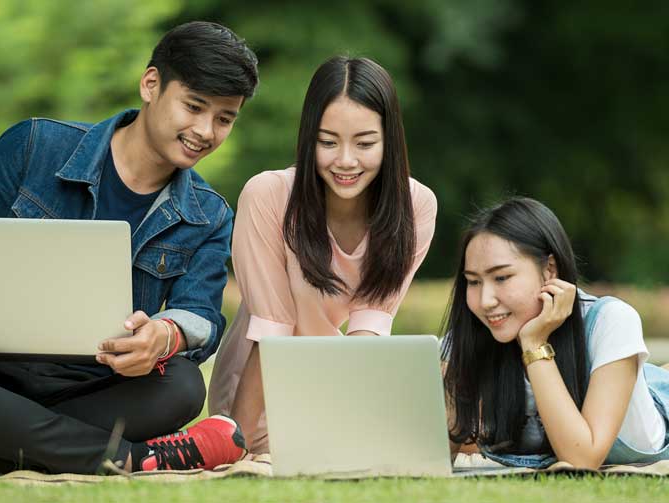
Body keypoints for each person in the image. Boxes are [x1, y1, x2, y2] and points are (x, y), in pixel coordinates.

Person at [0, 21, 258, 475]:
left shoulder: (209, 214)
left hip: (95, 385)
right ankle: (132, 459)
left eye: (224, 118)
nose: (205, 130)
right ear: (151, 84)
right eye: (194, 107)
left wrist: (165, 336)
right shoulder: (33, 145)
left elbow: (199, 314)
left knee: (181, 385)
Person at [208, 56, 438, 454]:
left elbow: (369, 331)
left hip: (341, 376)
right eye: (328, 142)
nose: (345, 161)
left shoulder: (415, 206)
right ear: (307, 138)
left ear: (390, 141)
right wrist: (237, 448)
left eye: (365, 143)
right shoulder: (269, 196)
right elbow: (271, 332)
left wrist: (353, 422)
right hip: (257, 388)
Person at [442, 197, 669, 469]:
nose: (485, 300)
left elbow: (582, 460)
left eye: (501, 277)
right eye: (473, 281)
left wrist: (535, 344)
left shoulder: (610, 320)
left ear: (550, 269)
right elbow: (433, 452)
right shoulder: (472, 334)